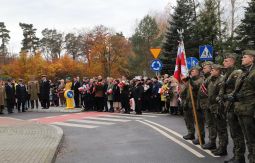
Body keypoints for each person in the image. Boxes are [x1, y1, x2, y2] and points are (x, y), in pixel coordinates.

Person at [228, 50, 255, 163]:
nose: (242, 59)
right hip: (241, 110)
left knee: (252, 139)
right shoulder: (244, 73)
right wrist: (233, 96)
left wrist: (242, 95)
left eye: (244, 57)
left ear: (252, 59)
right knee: (247, 138)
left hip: (250, 110)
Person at [219, 54, 245, 163]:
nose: (224, 63)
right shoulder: (227, 74)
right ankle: (236, 156)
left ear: (232, 62)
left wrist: (226, 97)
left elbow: (237, 90)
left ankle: (239, 157)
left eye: (226, 61)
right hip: (228, 106)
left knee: (237, 133)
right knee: (234, 133)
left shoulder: (237, 73)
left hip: (234, 106)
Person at [207, 64, 228, 156]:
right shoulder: (212, 80)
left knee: (222, 129)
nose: (211, 71)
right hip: (213, 107)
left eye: (213, 70)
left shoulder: (221, 80)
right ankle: (220, 147)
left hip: (219, 108)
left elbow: (220, 95)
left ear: (218, 71)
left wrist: (220, 107)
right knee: (218, 128)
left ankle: (223, 148)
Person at [182, 66, 203, 141]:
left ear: (198, 72)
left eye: (193, 71)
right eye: (191, 71)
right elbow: (184, 91)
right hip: (188, 102)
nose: (191, 72)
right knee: (188, 119)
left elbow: (196, 87)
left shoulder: (201, 80)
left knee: (198, 121)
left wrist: (190, 81)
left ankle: (200, 137)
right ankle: (191, 133)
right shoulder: (189, 81)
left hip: (196, 103)